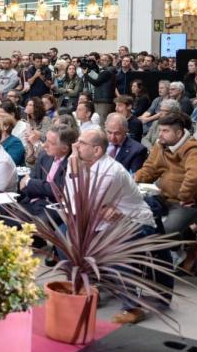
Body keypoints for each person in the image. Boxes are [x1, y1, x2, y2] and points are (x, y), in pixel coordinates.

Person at [68, 128, 165, 325]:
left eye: (81, 143)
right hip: (106, 222)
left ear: (96, 150)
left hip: (134, 223)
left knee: (114, 250)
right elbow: (72, 201)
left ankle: (133, 307)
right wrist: (74, 172)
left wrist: (77, 176)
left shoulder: (109, 171)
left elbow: (82, 204)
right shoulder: (85, 164)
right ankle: (91, 288)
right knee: (66, 235)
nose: (75, 146)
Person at [134, 112, 197, 236]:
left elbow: (194, 177)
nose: (160, 134)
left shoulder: (194, 150)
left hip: (189, 202)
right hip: (163, 197)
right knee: (134, 217)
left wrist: (185, 197)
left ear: (178, 133)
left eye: (165, 131)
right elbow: (150, 169)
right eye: (160, 130)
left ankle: (185, 242)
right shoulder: (160, 145)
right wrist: (134, 180)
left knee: (166, 232)